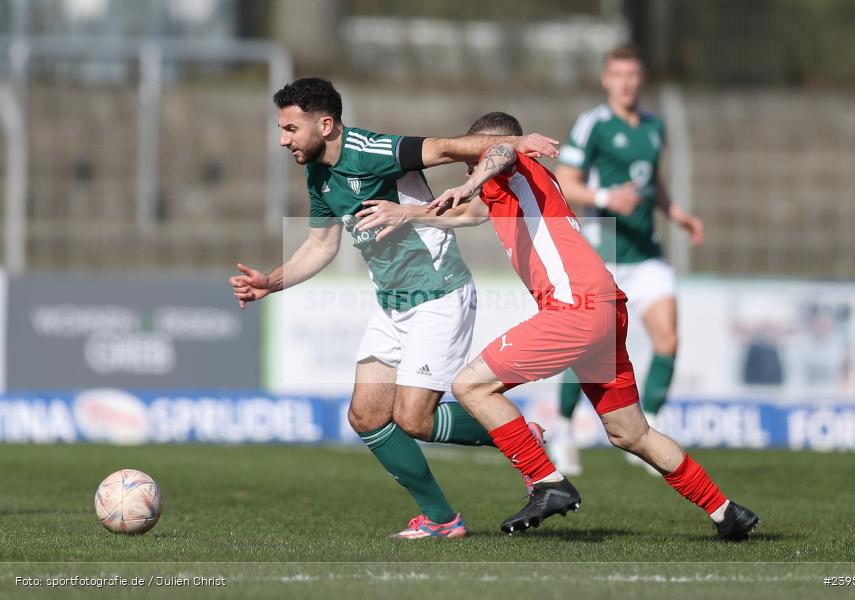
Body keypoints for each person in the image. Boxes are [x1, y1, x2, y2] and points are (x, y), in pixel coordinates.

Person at [358, 111, 757, 540]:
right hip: (604, 304)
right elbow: (468, 215)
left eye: (472, 159)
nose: (470, 166)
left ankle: (548, 482)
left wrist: (473, 179)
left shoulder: (512, 163)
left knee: (471, 385)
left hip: (575, 307)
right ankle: (726, 512)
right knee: (630, 432)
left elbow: (500, 151)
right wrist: (407, 214)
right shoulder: (511, 186)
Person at [229, 79, 558, 539]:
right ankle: (443, 520)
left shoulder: (371, 149)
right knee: (365, 416)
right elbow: (321, 245)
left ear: (325, 125)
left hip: (438, 295)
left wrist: (516, 142)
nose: (283, 139)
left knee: (414, 419)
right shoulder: (318, 173)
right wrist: (272, 281)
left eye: (290, 128)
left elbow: (445, 148)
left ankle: (521, 436)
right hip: (392, 304)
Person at [551, 45, 705, 475]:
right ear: (606, 78)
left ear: (642, 78)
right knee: (585, 347)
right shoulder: (594, 124)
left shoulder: (655, 127)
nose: (625, 82)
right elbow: (566, 180)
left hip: (648, 251)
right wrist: (605, 197)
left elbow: (651, 181)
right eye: (617, 74)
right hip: (607, 249)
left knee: (668, 340)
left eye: (632, 74)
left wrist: (678, 215)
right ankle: (563, 432)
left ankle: (649, 429)